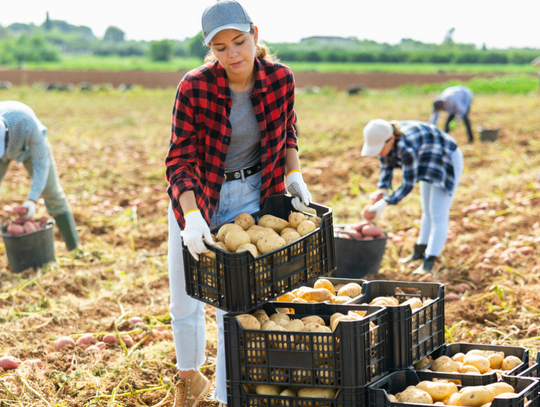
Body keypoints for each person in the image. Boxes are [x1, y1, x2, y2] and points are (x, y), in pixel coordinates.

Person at [164, 1, 312, 406]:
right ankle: (189, 382)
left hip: (252, 195)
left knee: (236, 303)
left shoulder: (281, 78)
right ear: (210, 49)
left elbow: (287, 131)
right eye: (220, 46)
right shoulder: (195, 86)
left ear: (255, 35)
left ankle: (232, 396)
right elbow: (179, 160)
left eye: (239, 41)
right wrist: (192, 219)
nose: (233, 54)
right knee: (186, 295)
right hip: (199, 193)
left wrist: (293, 174)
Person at [361, 118, 464, 275]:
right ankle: (419, 253)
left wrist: (385, 202)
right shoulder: (387, 139)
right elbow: (386, 166)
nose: (379, 152)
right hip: (427, 157)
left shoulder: (406, 149)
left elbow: (408, 184)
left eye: (380, 148)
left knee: (438, 213)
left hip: (444, 158)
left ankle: (429, 262)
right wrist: (382, 190)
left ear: (392, 139)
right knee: (427, 211)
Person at [0, 101, 79, 251]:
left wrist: (32, 199)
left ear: (7, 134)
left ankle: (74, 248)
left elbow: (42, 166)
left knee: (51, 192)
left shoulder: (27, 125)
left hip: (29, 149)